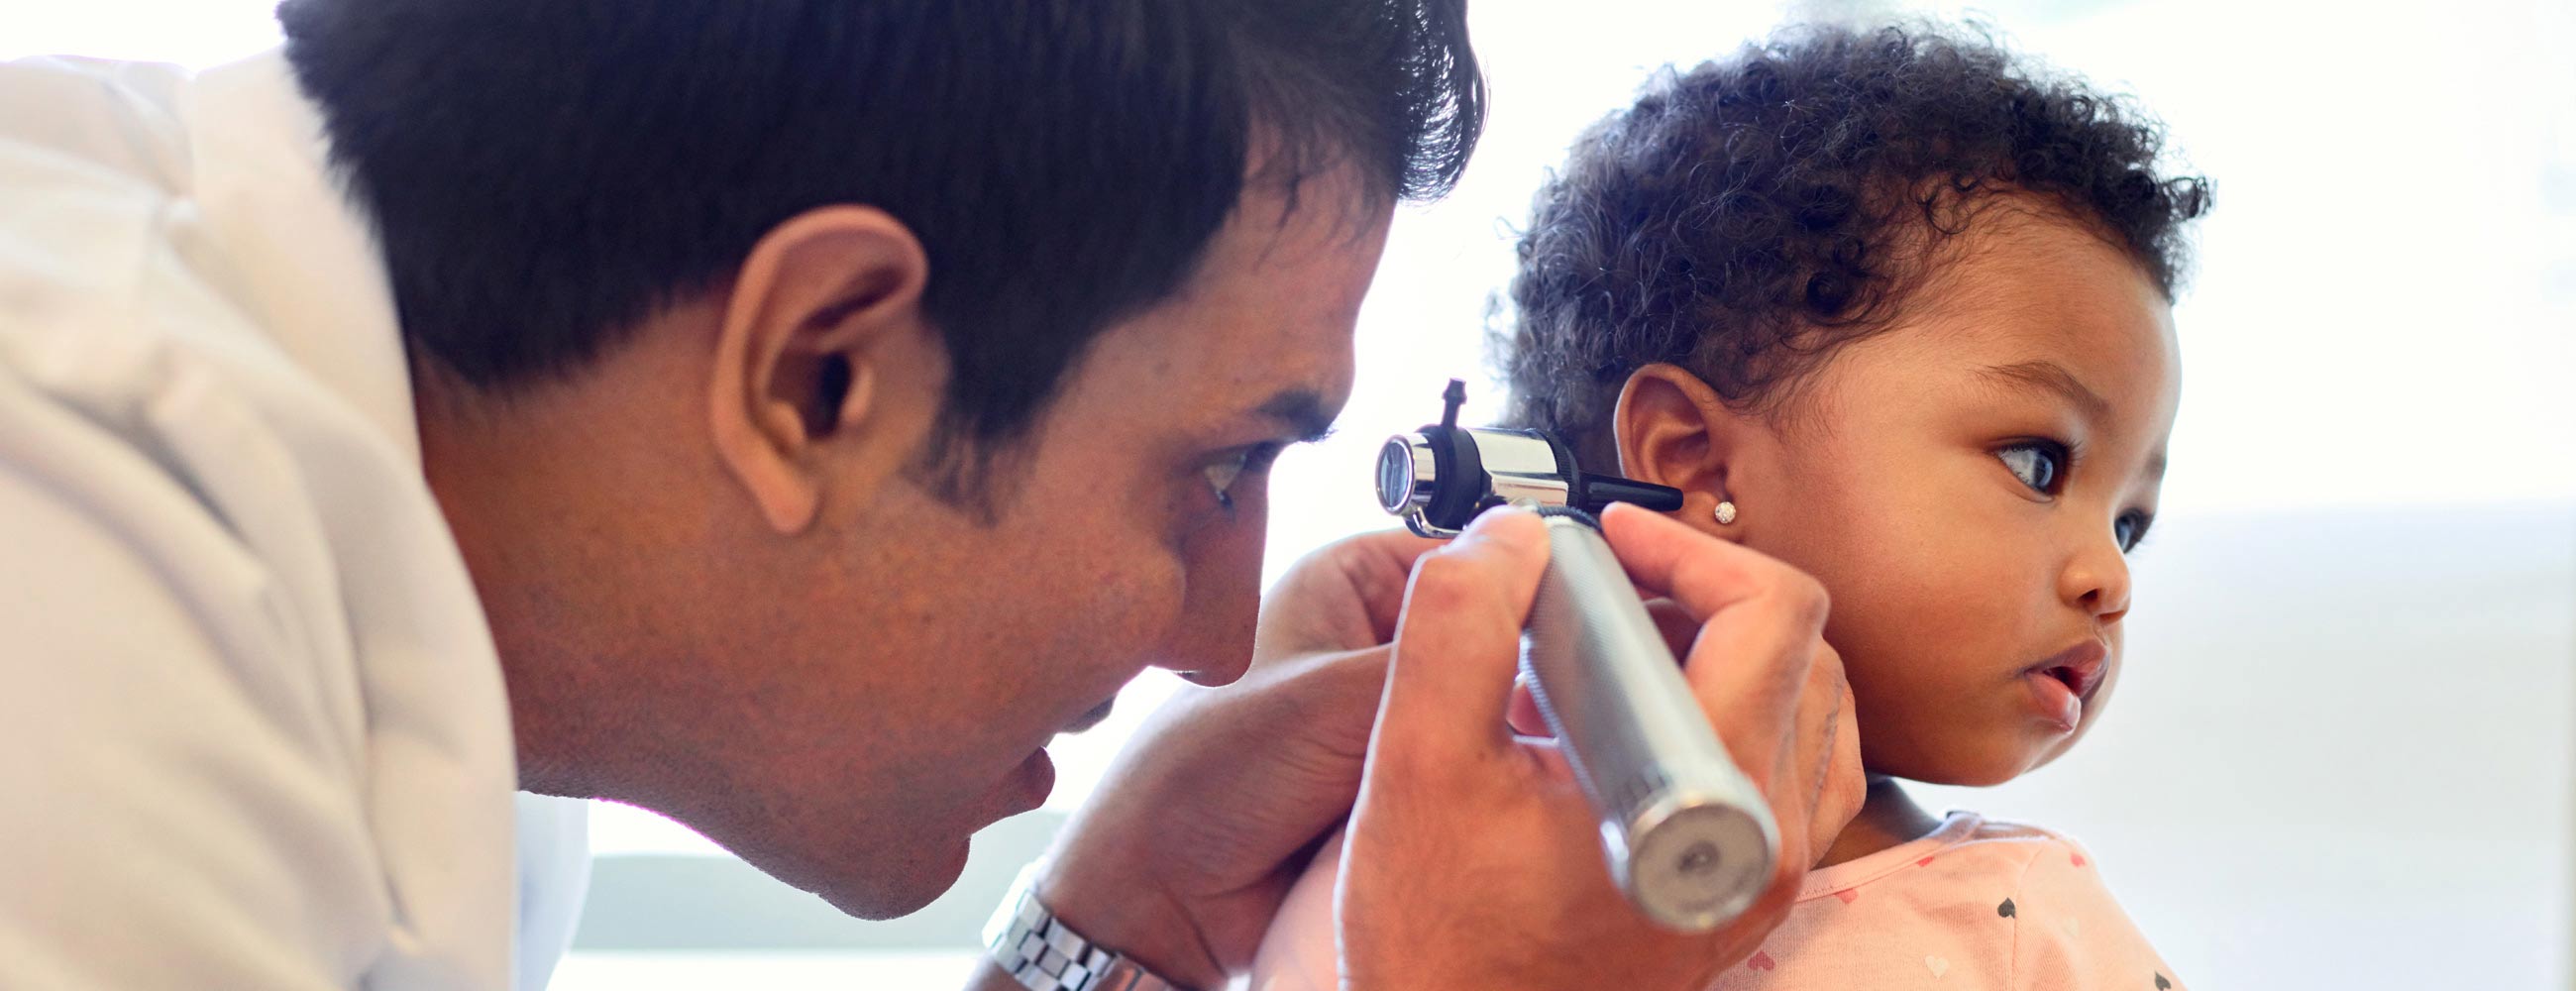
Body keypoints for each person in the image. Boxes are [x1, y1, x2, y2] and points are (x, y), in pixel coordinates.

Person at [0, 2, 1864, 989]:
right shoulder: (70, 588)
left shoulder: (425, 570)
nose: (1224, 635)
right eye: (1216, 469)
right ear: (821, 368)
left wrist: (1116, 930)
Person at [1252, 20, 2211, 991]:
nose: (2111, 576)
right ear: (1694, 461)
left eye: (2128, 521)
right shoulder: (1375, 864)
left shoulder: (2024, 931)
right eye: (2038, 464)